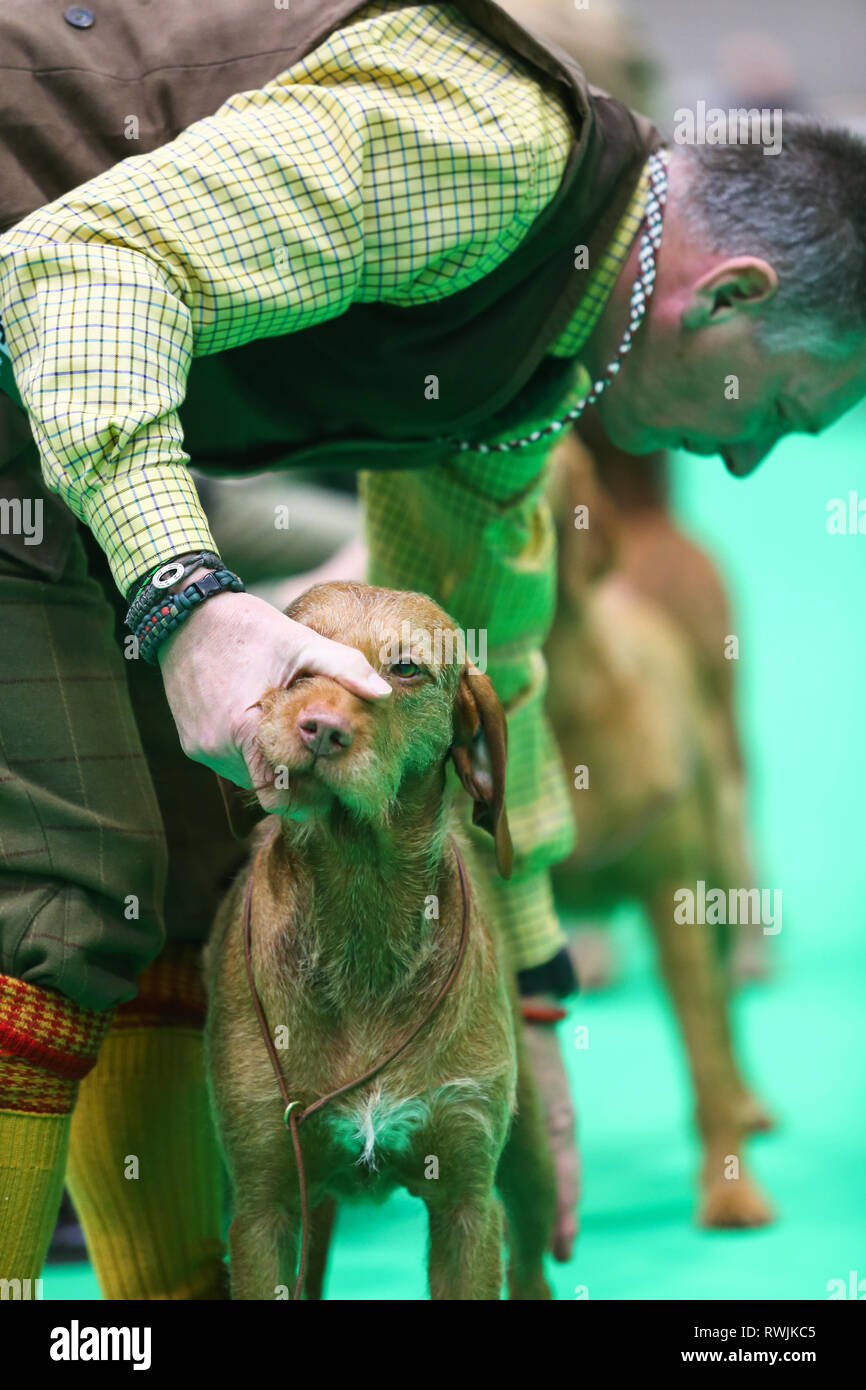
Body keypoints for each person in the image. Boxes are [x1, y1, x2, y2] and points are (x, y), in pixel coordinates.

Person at [1, 0, 865, 1298]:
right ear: (728, 292)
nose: (744, 460)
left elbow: (477, 650)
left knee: (187, 872)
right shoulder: (487, 152)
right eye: (786, 413)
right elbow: (82, 267)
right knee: (67, 884)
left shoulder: (543, 367)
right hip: (35, 320)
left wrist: (525, 993)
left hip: (58, 396)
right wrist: (183, 595)